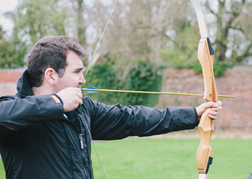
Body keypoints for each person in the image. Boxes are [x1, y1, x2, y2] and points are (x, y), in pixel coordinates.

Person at [0, 36, 222, 179]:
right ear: (50, 75)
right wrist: (56, 103)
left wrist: (193, 114)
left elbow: (132, 119)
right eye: (77, 72)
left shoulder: (81, 109)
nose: (83, 79)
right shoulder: (15, 114)